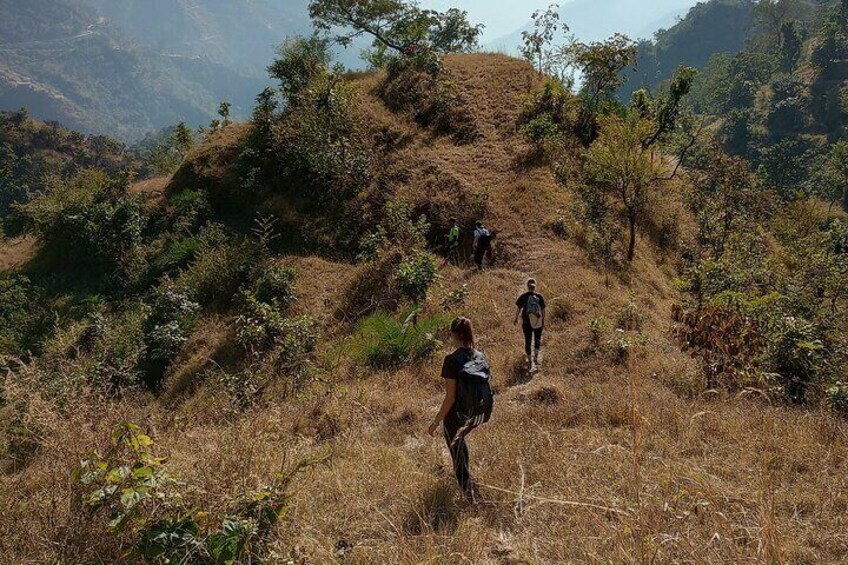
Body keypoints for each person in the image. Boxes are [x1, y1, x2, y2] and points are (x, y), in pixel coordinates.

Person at [428, 317, 494, 499]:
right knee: (461, 439)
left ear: (454, 335)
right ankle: (468, 480)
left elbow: (450, 398)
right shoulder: (480, 356)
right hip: (478, 412)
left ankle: (467, 493)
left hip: (458, 413)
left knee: (455, 447)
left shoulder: (451, 360)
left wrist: (435, 422)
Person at [514, 278, 546, 369]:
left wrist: (516, 319)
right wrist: (542, 320)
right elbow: (543, 311)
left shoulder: (523, 296)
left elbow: (518, 309)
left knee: (528, 340)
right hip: (538, 322)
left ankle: (529, 360)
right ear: (535, 286)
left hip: (526, 322)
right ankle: (536, 357)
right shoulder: (539, 297)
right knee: (537, 339)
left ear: (527, 286)